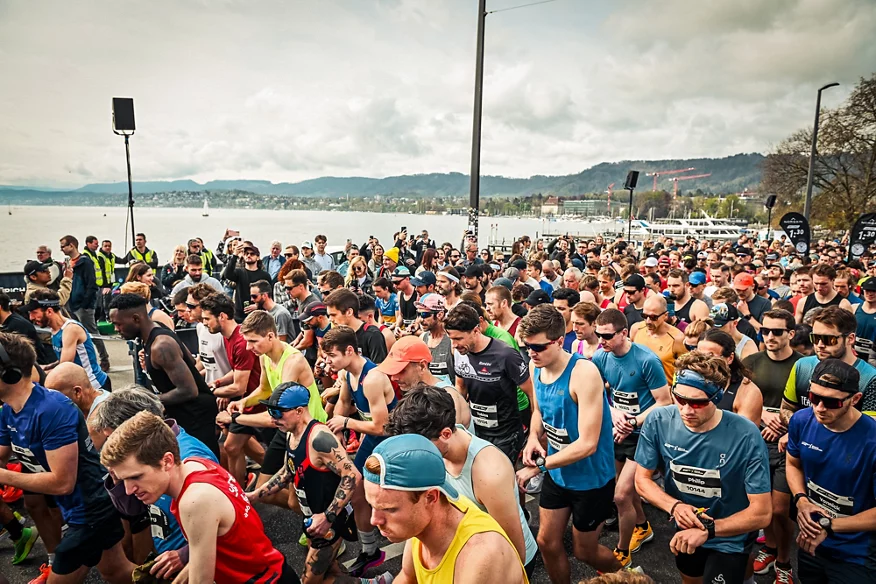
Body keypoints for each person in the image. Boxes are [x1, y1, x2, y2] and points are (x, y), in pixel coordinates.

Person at [100, 411, 300, 584]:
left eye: (136, 476)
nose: (128, 490)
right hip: (272, 570)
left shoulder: (194, 500)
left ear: (167, 461)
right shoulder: (195, 464)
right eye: (124, 479)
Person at [0, 332, 135, 584]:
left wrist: (6, 476)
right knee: (117, 572)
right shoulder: (9, 410)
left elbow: (62, 483)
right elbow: (2, 454)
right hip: (76, 509)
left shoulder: (51, 410)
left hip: (90, 511)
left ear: (10, 374)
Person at [634, 351, 772, 584]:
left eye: (698, 402)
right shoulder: (658, 420)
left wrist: (709, 529)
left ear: (717, 397)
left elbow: (762, 513)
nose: (687, 410)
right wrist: (675, 506)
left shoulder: (745, 434)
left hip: (730, 534)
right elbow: (642, 480)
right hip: (685, 529)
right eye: (680, 399)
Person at [515, 305, 621, 580]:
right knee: (547, 543)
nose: (531, 353)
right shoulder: (535, 365)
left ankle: (628, 575)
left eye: (537, 347)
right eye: (527, 347)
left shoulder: (584, 373)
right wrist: (532, 439)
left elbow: (588, 444)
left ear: (559, 341)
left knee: (584, 551)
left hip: (591, 479)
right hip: (558, 471)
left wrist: (538, 466)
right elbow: (538, 412)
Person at [247, 384, 392, 584]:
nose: (273, 418)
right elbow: (288, 470)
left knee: (309, 581)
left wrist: (327, 517)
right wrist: (256, 495)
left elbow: (352, 476)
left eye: (278, 413)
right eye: (271, 412)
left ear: (299, 411)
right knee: (330, 572)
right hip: (312, 517)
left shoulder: (320, 439)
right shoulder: (290, 432)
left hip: (329, 523)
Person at [387, 386, 537, 576]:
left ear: (446, 434)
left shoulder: (489, 472)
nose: (414, 453)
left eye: (419, 446)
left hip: (502, 562)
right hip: (466, 550)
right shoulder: (434, 449)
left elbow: (515, 551)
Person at [88, 387, 217, 581]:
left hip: (196, 564)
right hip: (167, 554)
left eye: (112, 437)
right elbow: (133, 510)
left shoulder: (191, 458)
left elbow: (225, 525)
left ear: (136, 427)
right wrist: (117, 478)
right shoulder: (142, 458)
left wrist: (186, 554)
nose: (110, 445)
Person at [363, 434, 529, 584]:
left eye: (389, 509)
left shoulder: (480, 557)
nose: (374, 520)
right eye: (372, 505)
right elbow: (408, 577)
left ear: (431, 497)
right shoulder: (419, 521)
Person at [592, 308, 671, 568]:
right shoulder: (601, 357)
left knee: (621, 495)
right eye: (597, 334)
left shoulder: (647, 360)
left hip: (644, 434)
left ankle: (622, 551)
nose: (601, 340)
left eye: (606, 336)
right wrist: (614, 412)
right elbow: (596, 391)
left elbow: (664, 401)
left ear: (624, 333)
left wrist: (633, 421)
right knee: (622, 486)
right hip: (619, 429)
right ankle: (642, 526)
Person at [785, 359, 876, 584]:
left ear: (855, 399)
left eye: (831, 402)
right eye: (814, 398)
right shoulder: (801, 420)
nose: (819, 408)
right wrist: (801, 500)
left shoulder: (872, 440)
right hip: (812, 538)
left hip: (855, 552)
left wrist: (829, 525)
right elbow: (793, 464)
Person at [321, 326, 394, 576]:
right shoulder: (348, 374)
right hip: (371, 440)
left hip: (390, 443)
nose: (328, 361)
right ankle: (370, 550)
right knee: (357, 491)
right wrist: (338, 426)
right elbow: (342, 403)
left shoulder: (372, 378)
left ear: (349, 350)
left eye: (332, 355)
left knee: (395, 498)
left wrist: (346, 423)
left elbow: (381, 426)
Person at [108, 293, 219, 456]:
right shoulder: (153, 332)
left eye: (119, 324)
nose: (116, 329)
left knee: (203, 461)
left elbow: (189, 390)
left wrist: (146, 401)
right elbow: (189, 359)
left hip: (196, 414)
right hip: (181, 412)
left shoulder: (161, 346)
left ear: (136, 319)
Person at [445, 303, 534, 465]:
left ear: (476, 330)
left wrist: (535, 433)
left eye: (458, 338)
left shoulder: (505, 355)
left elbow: (531, 392)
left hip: (506, 435)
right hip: (478, 431)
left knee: (503, 480)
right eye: (451, 339)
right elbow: (461, 389)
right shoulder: (459, 352)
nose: (454, 345)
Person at [200, 293, 263, 485]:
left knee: (238, 447)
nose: (204, 323)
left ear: (222, 316)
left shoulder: (241, 341)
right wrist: (217, 383)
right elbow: (236, 371)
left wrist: (208, 393)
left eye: (206, 318)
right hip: (244, 401)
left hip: (257, 401)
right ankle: (240, 489)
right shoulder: (227, 337)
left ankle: (282, 475)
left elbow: (239, 386)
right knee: (232, 447)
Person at [783, 306, 876, 420]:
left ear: (850, 339)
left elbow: (870, 428)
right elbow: (786, 408)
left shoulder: (870, 378)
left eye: (829, 339)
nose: (820, 345)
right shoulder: (802, 366)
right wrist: (796, 427)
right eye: (815, 338)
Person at [378, 335, 472, 430]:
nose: (394, 378)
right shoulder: (417, 391)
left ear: (422, 366)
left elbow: (448, 442)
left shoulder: (447, 397)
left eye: (401, 371)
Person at [26, 289, 110, 390]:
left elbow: (65, 367)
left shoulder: (70, 329)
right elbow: (62, 360)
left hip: (95, 385)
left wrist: (36, 375)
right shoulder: (54, 329)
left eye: (34, 312)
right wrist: (46, 367)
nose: (31, 317)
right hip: (80, 386)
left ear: (49, 311)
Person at [60, 234, 110, 372]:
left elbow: (91, 284)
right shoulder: (69, 263)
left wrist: (85, 303)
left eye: (63, 246)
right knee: (75, 334)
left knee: (92, 333)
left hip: (83, 305)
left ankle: (104, 358)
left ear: (72, 245)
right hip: (72, 304)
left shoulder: (85, 262)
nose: (61, 249)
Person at [697, 329, 763, 425]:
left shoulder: (748, 392)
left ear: (730, 358)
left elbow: (744, 434)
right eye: (699, 355)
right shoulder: (687, 383)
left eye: (711, 356)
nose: (703, 361)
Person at [630, 295, 686, 384]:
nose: (648, 321)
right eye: (644, 316)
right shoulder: (636, 329)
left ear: (665, 316)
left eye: (653, 317)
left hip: (664, 392)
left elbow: (684, 372)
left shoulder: (677, 338)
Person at [324, 289, 388, 364]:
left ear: (349, 312)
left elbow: (379, 368)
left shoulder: (372, 335)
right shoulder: (337, 334)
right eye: (329, 315)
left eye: (333, 315)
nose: (330, 320)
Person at [221, 241, 272, 322]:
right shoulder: (239, 272)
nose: (248, 255)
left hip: (258, 316)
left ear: (258, 257)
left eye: (252, 254)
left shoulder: (265, 275)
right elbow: (227, 274)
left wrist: (258, 305)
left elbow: (270, 296)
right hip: (240, 315)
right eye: (246, 254)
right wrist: (235, 255)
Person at [0, 292, 55, 365]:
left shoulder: (17, 326)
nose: (31, 317)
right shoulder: (10, 323)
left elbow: (25, 360)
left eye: (34, 312)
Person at [416, 293, 455, 385]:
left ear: (440, 315)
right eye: (418, 314)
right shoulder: (423, 338)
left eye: (424, 314)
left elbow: (460, 381)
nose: (420, 319)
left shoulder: (452, 341)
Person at [81, 235, 115, 319]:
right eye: (95, 244)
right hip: (94, 286)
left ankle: (96, 322)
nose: (97, 245)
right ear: (88, 243)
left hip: (99, 285)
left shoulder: (94, 255)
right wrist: (105, 286)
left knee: (99, 306)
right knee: (96, 307)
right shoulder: (87, 255)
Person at [852, 277, 876, 364]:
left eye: (874, 291)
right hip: (854, 355)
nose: (870, 294)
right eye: (867, 290)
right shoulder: (854, 308)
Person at [552, 287, 581, 352]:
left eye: (561, 309)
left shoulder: (580, 335)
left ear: (573, 309)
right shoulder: (548, 332)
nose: (555, 312)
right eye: (554, 308)